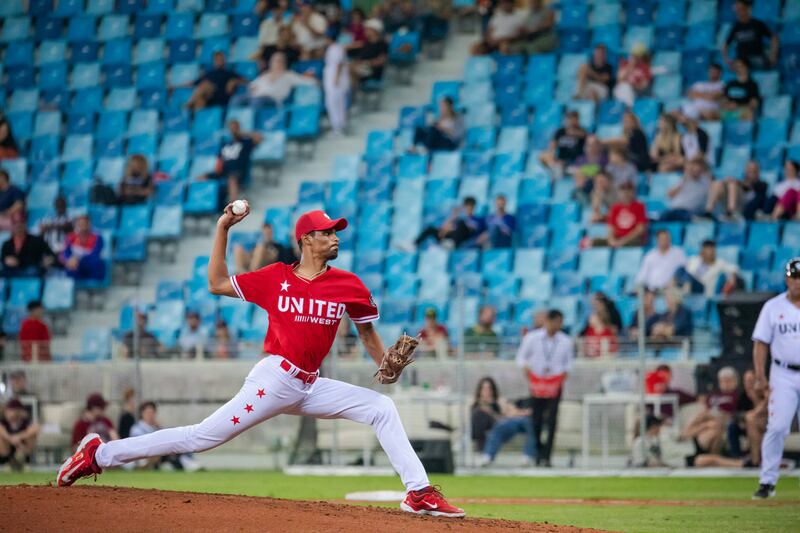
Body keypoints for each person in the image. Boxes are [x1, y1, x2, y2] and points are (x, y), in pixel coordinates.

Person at [57, 206, 466, 518]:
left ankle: (418, 491)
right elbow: (216, 283)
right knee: (201, 437)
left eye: (336, 231)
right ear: (306, 240)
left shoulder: (349, 285)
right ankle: (99, 454)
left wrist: (385, 369)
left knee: (382, 407)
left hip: (311, 384)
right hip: (273, 380)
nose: (335, 237)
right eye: (326, 232)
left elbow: (368, 335)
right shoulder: (275, 277)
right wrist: (222, 229)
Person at [751, 258, 800, 499]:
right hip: (783, 373)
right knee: (778, 426)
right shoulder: (773, 307)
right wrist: (760, 376)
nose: (797, 282)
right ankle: (767, 481)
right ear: (786, 279)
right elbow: (761, 343)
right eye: (794, 276)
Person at [515, 309, 574, 467]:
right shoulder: (532, 338)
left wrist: (561, 377)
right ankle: (538, 452)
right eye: (554, 322)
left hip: (555, 386)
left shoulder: (566, 341)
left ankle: (547, 456)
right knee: (536, 421)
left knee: (553, 421)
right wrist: (528, 371)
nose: (557, 325)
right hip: (537, 384)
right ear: (547, 321)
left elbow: (568, 365)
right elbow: (520, 358)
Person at [471, 377, 535, 467]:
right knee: (498, 426)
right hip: (495, 429)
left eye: (489, 388)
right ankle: (486, 455)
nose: (486, 391)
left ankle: (528, 456)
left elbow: (511, 412)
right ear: (480, 390)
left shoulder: (499, 401)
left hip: (509, 424)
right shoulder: (477, 405)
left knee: (528, 422)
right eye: (484, 388)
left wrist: (520, 412)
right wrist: (491, 413)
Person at [200, 120, 263, 206]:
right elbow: (220, 160)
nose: (233, 130)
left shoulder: (245, 143)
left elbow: (259, 138)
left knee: (232, 179)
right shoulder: (225, 145)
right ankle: (205, 204)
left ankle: (233, 204)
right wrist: (217, 167)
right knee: (202, 177)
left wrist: (241, 134)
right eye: (231, 128)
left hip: (238, 170)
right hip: (224, 170)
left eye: (235, 128)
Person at [682, 367, 740, 459]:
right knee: (707, 419)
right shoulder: (714, 395)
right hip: (708, 421)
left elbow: (731, 414)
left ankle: (710, 455)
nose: (725, 383)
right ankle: (688, 434)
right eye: (723, 380)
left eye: (728, 380)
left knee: (715, 425)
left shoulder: (737, 396)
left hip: (723, 421)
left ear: (735, 381)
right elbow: (705, 410)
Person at [129, 401, 201, 471]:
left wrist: (159, 427)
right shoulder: (137, 429)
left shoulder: (156, 427)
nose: (150, 415)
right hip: (145, 455)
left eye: (152, 413)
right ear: (142, 413)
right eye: (148, 413)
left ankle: (185, 462)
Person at [235, 52, 318, 109]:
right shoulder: (264, 75)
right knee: (237, 99)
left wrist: (313, 79)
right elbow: (251, 86)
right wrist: (252, 88)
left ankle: (252, 125)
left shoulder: (289, 75)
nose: (278, 62)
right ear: (271, 63)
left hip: (274, 101)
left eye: (280, 60)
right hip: (256, 97)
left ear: (284, 63)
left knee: (257, 101)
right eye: (275, 60)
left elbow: (308, 81)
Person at [723, 0, 778, 70]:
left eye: (740, 9)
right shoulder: (735, 27)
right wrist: (727, 60)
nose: (738, 12)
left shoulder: (758, 24)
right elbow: (725, 45)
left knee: (762, 65)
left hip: (757, 58)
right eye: (737, 10)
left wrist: (773, 55)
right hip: (741, 60)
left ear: (747, 9)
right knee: (738, 67)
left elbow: (774, 38)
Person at [414, 196, 485, 250]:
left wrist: (465, 222)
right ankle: (414, 244)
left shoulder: (478, 219)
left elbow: (474, 229)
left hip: (462, 238)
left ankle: (451, 244)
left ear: (474, 207)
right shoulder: (458, 217)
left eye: (470, 207)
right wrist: (453, 216)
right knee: (430, 229)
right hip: (449, 235)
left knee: (461, 223)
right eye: (466, 206)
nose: (468, 209)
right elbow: (444, 226)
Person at [592, 181, 647, 248]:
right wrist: (611, 240)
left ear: (633, 192)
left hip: (632, 240)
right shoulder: (615, 207)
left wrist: (623, 241)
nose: (626, 194)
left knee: (632, 243)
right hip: (617, 238)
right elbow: (610, 227)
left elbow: (640, 229)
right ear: (619, 193)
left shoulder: (639, 206)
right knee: (594, 242)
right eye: (623, 191)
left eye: (628, 191)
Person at [675, 240, 739, 297]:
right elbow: (682, 270)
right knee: (680, 269)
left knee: (688, 276)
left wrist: (733, 277)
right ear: (702, 251)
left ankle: (685, 290)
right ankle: (681, 289)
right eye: (708, 250)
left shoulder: (719, 263)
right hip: (689, 284)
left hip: (703, 288)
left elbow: (734, 268)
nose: (712, 253)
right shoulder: (694, 259)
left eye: (713, 251)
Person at [660, 157, 711, 222]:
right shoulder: (682, 179)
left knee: (688, 216)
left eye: (697, 168)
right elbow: (669, 195)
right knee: (663, 216)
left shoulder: (705, 182)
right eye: (692, 167)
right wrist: (683, 182)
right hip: (675, 209)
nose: (694, 170)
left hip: (689, 211)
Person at [539, 110, 587, 176]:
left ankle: (560, 171)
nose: (571, 121)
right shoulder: (560, 131)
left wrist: (575, 133)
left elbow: (587, 139)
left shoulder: (582, 132)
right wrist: (551, 154)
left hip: (574, 161)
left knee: (564, 166)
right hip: (560, 160)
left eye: (574, 119)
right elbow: (552, 145)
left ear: (577, 120)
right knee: (543, 155)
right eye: (569, 119)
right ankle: (557, 170)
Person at [60, 214, 106, 282]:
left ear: (89, 224)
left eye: (85, 224)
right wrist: (70, 259)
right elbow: (66, 252)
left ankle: (93, 288)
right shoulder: (70, 237)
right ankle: (73, 287)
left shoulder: (98, 238)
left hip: (90, 264)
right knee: (71, 266)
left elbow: (95, 254)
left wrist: (79, 259)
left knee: (97, 263)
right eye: (80, 224)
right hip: (75, 264)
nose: (83, 226)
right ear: (76, 225)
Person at [0, 398, 40, 471]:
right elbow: (1, 430)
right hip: (8, 448)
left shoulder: (24, 422)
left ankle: (24, 462)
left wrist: (19, 437)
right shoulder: (3, 422)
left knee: (32, 437)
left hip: (22, 448)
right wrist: (11, 439)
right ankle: (6, 462)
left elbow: (36, 428)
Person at [350, 19, 388, 89]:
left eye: (368, 29)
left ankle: (351, 95)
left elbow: (381, 61)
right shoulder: (367, 43)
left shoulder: (382, 44)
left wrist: (366, 63)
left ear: (375, 31)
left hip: (373, 72)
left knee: (351, 69)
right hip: (363, 69)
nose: (365, 31)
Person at [323, 42, 350, 136]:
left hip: (336, 83)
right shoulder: (332, 47)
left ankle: (338, 127)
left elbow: (339, 62)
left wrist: (336, 78)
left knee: (335, 104)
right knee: (333, 105)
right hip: (333, 82)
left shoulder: (335, 47)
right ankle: (337, 127)